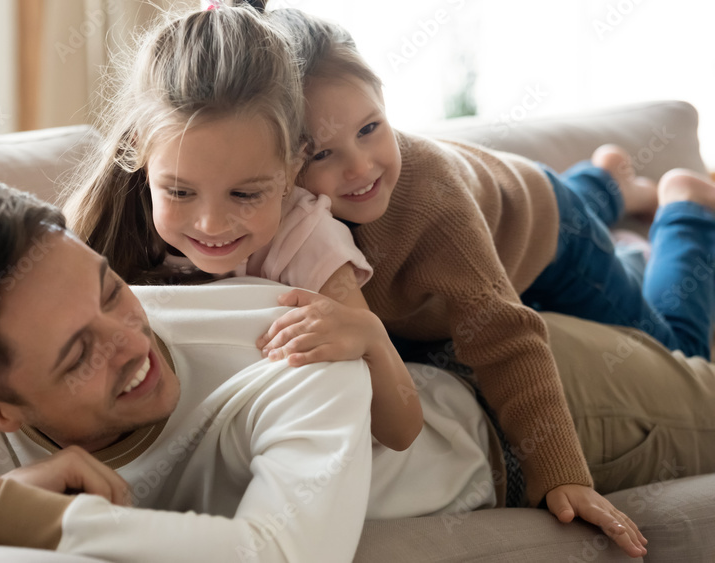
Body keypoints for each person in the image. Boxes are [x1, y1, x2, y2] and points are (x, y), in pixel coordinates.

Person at [262, 3, 715, 543]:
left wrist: (561, 473)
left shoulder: (429, 203)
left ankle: (683, 207)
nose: (359, 167)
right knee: (563, 197)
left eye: (370, 128)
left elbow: (505, 331)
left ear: (387, 103)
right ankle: (605, 179)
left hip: (551, 236)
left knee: (675, 351)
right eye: (322, 154)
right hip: (500, 200)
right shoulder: (283, 218)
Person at [0, 178, 504, 561]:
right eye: (78, 354)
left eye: (111, 290)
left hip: (505, 430)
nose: (129, 340)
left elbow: (282, 556)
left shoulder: (291, 349)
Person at [60, 6, 422, 450]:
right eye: (179, 192)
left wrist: (370, 337)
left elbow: (402, 430)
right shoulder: (103, 226)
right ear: (139, 151)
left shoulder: (305, 241)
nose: (212, 224)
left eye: (246, 195)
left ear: (293, 168)